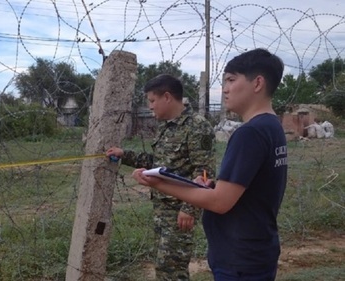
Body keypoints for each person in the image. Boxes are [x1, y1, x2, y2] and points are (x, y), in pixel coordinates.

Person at [132, 48, 288, 281]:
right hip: (256, 248)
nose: (224, 89)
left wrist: (158, 184)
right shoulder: (272, 127)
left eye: (231, 80)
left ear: (257, 83)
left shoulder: (250, 133)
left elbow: (221, 202)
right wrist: (212, 185)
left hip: (239, 258)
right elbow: (249, 188)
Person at [106, 74, 216, 280]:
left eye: (152, 100)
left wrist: (189, 208)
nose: (150, 106)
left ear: (167, 97)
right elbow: (159, 163)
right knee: (164, 267)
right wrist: (124, 155)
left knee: (172, 271)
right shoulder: (166, 126)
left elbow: (204, 172)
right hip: (162, 209)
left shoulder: (196, 127)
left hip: (179, 211)